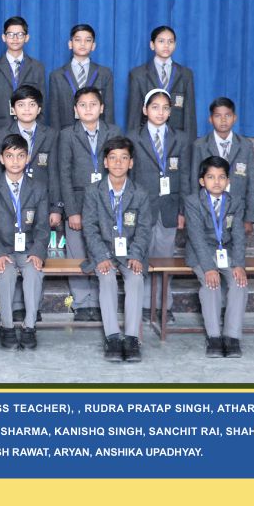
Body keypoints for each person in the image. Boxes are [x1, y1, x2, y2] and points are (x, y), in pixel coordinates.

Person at [81, 137, 154, 362]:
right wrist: (101, 256)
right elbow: (90, 227)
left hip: (131, 253)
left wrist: (136, 255)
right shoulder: (93, 191)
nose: (118, 163)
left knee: (135, 279)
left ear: (131, 163)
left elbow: (144, 229)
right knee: (107, 278)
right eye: (113, 158)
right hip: (103, 251)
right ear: (105, 162)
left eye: (124, 158)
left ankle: (131, 338)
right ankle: (112, 337)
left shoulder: (140, 193)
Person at [0, 85, 62, 321]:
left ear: (40, 109)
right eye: (21, 105)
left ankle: (33, 308)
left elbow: (55, 171)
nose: (27, 109)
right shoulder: (1, 133)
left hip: (38, 201)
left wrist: (56, 207)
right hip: (9, 203)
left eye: (32, 104)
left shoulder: (50, 134)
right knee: (10, 259)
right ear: (13, 109)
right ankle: (12, 308)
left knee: (33, 257)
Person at [57, 87, 123, 322]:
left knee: (101, 251)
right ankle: (82, 302)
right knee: (77, 253)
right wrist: (71, 211)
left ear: (102, 108)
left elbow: (119, 169)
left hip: (106, 204)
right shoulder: (67, 134)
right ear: (75, 110)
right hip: (77, 201)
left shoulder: (113, 131)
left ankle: (98, 301)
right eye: (83, 105)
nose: (88, 109)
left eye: (93, 104)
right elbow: (64, 174)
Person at [0, 134, 49, 350]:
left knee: (33, 272)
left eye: (20, 156)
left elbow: (42, 227)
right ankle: (7, 326)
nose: (15, 161)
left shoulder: (38, 187)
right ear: (1, 159)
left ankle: (29, 326)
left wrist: (37, 252)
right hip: (2, 248)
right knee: (6, 273)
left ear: (28, 158)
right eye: (9, 156)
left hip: (28, 249)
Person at [130, 88, 191, 321]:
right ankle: (145, 305)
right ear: (145, 110)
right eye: (155, 107)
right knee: (142, 256)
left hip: (169, 207)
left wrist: (182, 210)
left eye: (165, 108)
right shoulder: (133, 137)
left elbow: (184, 176)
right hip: (142, 208)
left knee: (165, 258)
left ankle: (165, 305)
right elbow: (129, 176)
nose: (160, 112)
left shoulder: (180, 138)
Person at [184, 156, 248, 358]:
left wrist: (238, 264)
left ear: (228, 180)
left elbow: (238, 234)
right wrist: (209, 268)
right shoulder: (193, 201)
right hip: (200, 252)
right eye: (211, 177)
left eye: (221, 177)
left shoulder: (235, 201)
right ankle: (214, 337)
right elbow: (196, 236)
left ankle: (231, 336)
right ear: (202, 181)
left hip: (226, 251)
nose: (217, 181)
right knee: (211, 283)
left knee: (239, 282)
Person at [190, 97, 254, 234]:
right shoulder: (200, 146)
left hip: (237, 212)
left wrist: (249, 218)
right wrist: (195, 214)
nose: (223, 120)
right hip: (208, 211)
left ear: (234, 118)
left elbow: (251, 183)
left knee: (236, 245)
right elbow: (194, 181)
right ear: (210, 119)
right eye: (217, 116)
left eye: (227, 115)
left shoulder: (245, 145)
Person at [126, 25, 196, 141]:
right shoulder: (138, 74)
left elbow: (190, 115)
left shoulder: (185, 74)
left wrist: (190, 143)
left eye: (170, 41)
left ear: (175, 45)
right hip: (147, 138)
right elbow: (134, 114)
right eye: (161, 41)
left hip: (177, 138)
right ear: (152, 45)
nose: (166, 45)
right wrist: (133, 143)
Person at [0, 16, 46, 132]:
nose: (15, 38)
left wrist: (39, 132)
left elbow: (42, 104)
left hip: (29, 128)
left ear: (26, 37)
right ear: (3, 37)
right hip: (0, 129)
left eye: (20, 34)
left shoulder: (37, 67)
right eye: (10, 34)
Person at [48, 24, 115, 129]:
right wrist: (56, 136)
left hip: (97, 130)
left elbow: (109, 109)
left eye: (88, 40)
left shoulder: (104, 73)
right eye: (78, 40)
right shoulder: (57, 75)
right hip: (67, 131)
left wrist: (109, 134)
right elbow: (54, 113)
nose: (83, 44)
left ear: (93, 46)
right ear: (70, 44)